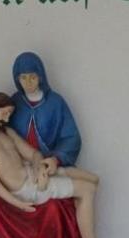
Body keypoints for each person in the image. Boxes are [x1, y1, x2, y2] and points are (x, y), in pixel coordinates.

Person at [0, 92, 110, 238]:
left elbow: (33, 154)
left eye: (9, 114)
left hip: (33, 173)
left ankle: (83, 229)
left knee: (93, 179)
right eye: (5, 113)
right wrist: (19, 204)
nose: (7, 119)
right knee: (87, 189)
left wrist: (39, 169)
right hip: (26, 188)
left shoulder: (6, 132)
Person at [9, 52, 81, 184]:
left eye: (33, 77)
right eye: (23, 77)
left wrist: (56, 159)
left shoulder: (55, 102)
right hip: (19, 166)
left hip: (48, 165)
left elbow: (71, 138)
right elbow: (1, 131)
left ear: (40, 76)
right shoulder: (14, 102)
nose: (28, 82)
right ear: (17, 79)